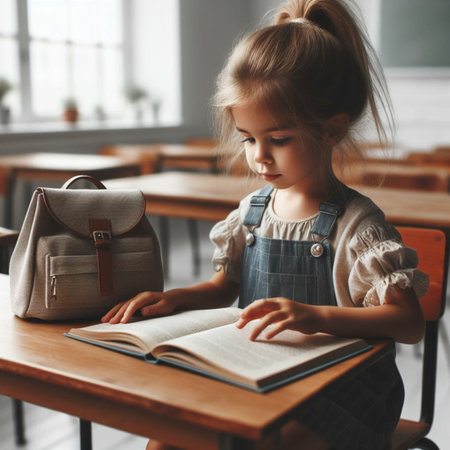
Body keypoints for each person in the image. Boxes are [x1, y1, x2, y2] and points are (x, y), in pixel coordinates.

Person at [102, 0, 428, 448]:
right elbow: (224, 287)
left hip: (343, 395)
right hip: (261, 379)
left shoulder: (359, 227)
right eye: (249, 139)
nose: (259, 156)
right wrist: (175, 298)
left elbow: (409, 322)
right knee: (166, 439)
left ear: (331, 129)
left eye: (278, 139)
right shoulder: (251, 212)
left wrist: (314, 316)